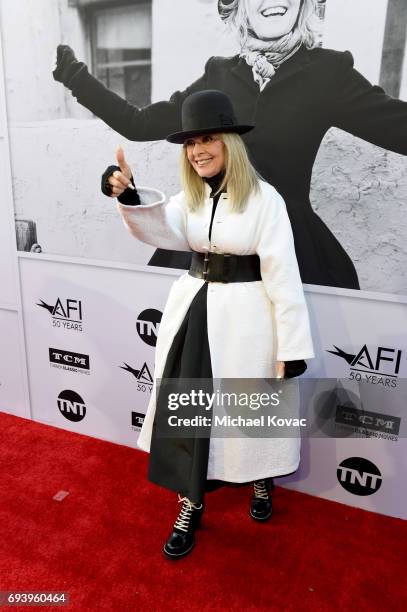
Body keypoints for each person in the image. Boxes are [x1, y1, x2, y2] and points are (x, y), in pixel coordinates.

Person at [53, 0, 407, 290]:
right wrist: (77, 80)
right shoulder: (220, 74)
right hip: (213, 237)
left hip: (288, 243)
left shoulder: (329, 73)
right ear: (238, 6)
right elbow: (140, 123)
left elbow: (396, 126)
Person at [102, 89, 314, 559]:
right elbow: (159, 227)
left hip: (249, 319)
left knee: (251, 409)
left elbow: (283, 273)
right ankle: (190, 501)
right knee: (187, 415)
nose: (197, 150)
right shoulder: (190, 198)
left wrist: (292, 344)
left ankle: (262, 480)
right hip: (194, 314)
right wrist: (130, 194)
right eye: (189, 143)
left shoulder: (265, 200)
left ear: (229, 143)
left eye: (207, 139)